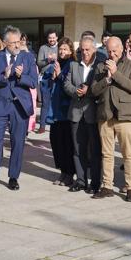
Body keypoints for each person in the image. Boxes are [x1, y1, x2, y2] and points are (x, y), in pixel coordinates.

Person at [0, 26, 38, 192]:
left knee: (17, 143)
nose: (16, 46)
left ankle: (13, 177)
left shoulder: (27, 58)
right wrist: (3, 76)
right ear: (5, 43)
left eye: (18, 42)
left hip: (19, 106)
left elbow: (34, 82)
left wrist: (21, 77)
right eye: (12, 43)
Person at [90, 36, 131, 201]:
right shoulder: (100, 66)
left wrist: (115, 73)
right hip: (105, 115)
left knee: (128, 154)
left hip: (125, 115)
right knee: (107, 154)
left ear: (122, 48)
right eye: (109, 51)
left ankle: (130, 187)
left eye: (114, 50)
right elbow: (94, 90)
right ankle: (107, 186)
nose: (112, 54)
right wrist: (107, 79)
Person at [64, 36, 102, 194]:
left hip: (92, 113)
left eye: (88, 50)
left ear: (94, 50)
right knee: (78, 149)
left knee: (94, 150)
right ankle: (80, 180)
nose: (85, 53)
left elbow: (101, 86)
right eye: (82, 50)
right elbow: (66, 84)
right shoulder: (73, 65)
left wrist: (89, 91)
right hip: (76, 113)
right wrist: (76, 92)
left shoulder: (99, 66)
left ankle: (95, 182)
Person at [48, 38, 75, 187]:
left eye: (65, 49)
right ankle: (62, 171)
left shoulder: (72, 64)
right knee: (56, 142)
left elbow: (69, 85)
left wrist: (59, 75)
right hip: (55, 111)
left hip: (66, 111)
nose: (62, 52)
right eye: (61, 49)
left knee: (67, 144)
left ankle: (69, 173)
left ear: (71, 51)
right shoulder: (56, 63)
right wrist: (53, 77)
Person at [37, 29, 59, 133]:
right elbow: (39, 63)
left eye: (53, 37)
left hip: (57, 77)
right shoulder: (43, 48)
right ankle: (42, 125)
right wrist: (48, 60)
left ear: (57, 38)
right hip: (45, 77)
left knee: (56, 101)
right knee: (45, 103)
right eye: (50, 38)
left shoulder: (60, 47)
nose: (52, 39)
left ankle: (56, 123)